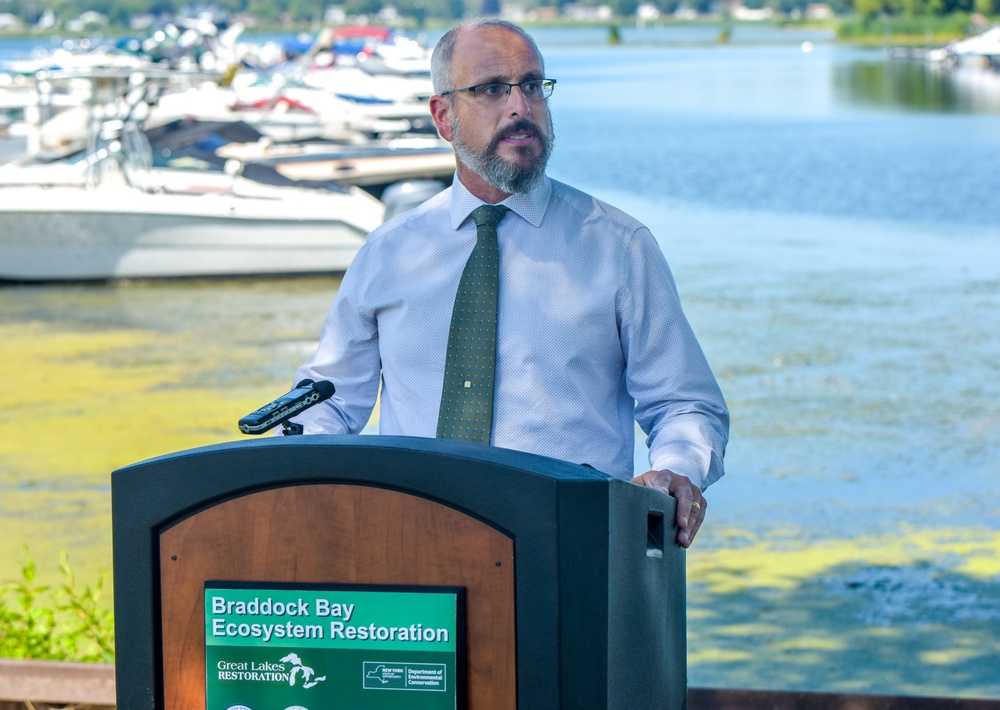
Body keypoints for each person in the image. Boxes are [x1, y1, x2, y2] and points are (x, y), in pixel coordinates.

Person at [289, 19, 729, 548]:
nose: (521, 107)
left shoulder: (620, 247)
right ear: (443, 117)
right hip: (410, 553)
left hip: (569, 550)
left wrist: (674, 471)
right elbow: (331, 401)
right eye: (492, 90)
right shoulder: (388, 253)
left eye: (532, 86)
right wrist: (291, 458)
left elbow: (685, 403)